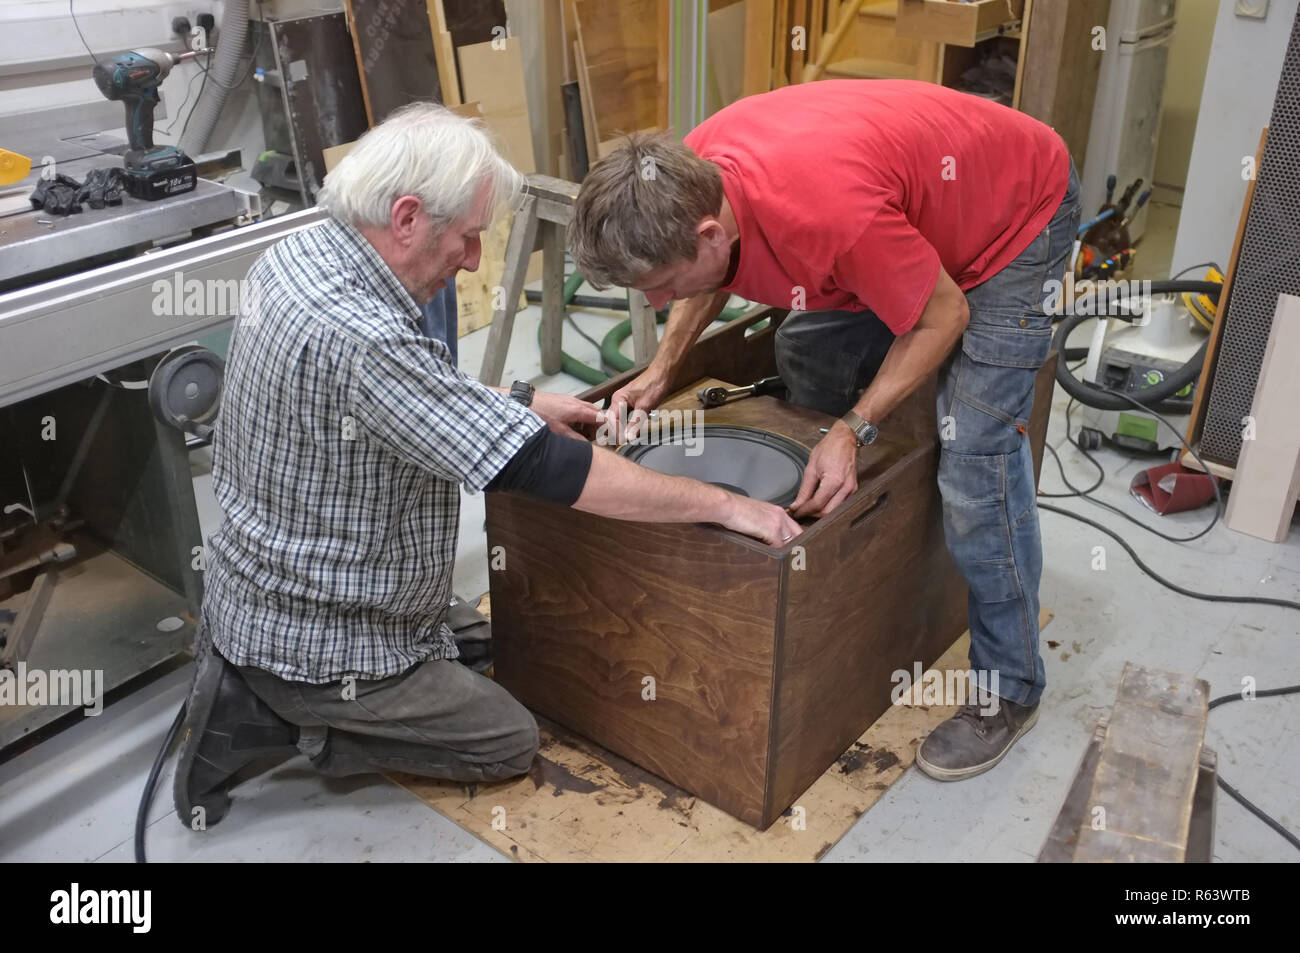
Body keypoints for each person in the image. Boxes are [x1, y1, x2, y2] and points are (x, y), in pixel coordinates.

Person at [174, 103, 801, 827]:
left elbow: (407, 390)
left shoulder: (306, 254)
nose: (473, 260)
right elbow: (550, 471)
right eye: (468, 237)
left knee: (514, 631)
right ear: (406, 217)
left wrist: (523, 400)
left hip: (300, 582)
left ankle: (328, 676)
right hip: (318, 629)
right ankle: (270, 713)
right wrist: (722, 503)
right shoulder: (360, 334)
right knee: (505, 741)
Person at [569, 80, 1081, 782]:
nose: (655, 304)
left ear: (709, 232)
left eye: (660, 285)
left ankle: (1011, 685)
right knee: (809, 347)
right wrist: (663, 367)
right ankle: (844, 554)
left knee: (974, 457)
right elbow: (706, 276)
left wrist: (854, 430)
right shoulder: (688, 175)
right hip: (908, 212)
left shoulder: (826, 213)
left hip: (1014, 219)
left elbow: (943, 316)